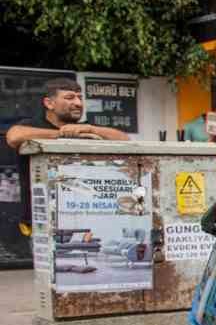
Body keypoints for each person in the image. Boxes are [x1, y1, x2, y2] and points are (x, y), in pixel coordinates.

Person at [5, 77, 130, 239]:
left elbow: (124, 141)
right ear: (49, 103)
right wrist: (61, 134)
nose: (78, 103)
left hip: (86, 219)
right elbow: (13, 136)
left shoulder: (86, 129)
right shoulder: (32, 125)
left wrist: (90, 129)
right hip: (41, 223)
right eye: (70, 97)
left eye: (80, 98)